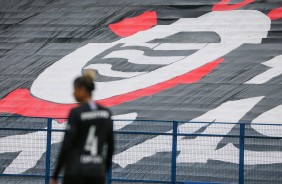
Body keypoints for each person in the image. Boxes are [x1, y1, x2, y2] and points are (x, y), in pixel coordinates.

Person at [50, 70, 114, 184]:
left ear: (82, 89)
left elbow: (67, 144)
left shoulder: (76, 112)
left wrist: (55, 175)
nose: (73, 93)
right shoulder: (106, 113)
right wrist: (104, 170)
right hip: (97, 170)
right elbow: (111, 146)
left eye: (75, 89)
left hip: (76, 169)